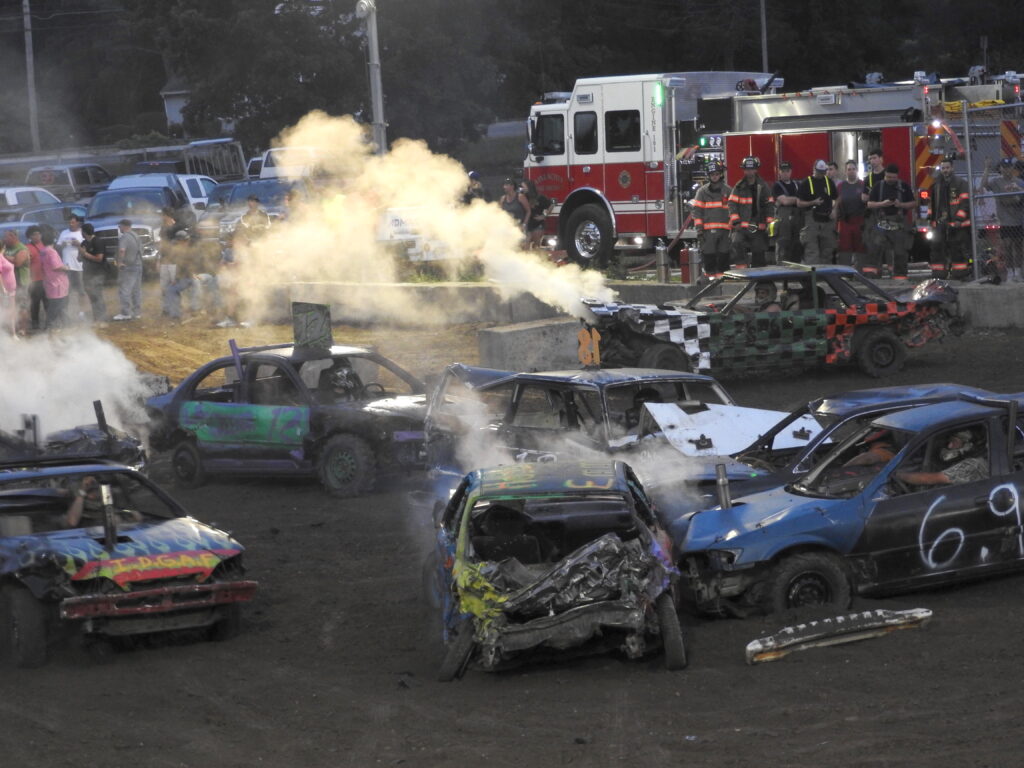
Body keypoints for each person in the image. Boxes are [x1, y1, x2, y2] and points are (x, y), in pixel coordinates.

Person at [865, 163, 916, 280]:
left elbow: (913, 203)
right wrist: (882, 204)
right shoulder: (878, 186)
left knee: (900, 251)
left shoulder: (904, 186)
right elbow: (869, 204)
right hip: (881, 223)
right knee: (875, 248)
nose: (891, 179)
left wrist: (900, 205)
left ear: (897, 176)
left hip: (899, 223)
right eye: (888, 177)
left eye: (893, 177)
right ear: (885, 175)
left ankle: (900, 277)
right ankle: (873, 276)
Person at [894, 429, 988, 487]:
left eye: (955, 442)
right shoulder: (960, 460)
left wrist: (897, 474)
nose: (950, 446)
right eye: (950, 441)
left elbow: (929, 479)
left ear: (968, 446)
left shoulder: (973, 466)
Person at [981, 157, 1024, 281]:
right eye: (1004, 168)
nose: (1006, 170)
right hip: (1005, 220)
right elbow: (984, 185)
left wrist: (1017, 189)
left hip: (1018, 219)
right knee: (1007, 245)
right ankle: (1010, 272)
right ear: (1000, 169)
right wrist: (986, 168)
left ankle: (1018, 272)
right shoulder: (996, 182)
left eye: (1009, 167)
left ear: (1012, 168)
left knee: (1018, 246)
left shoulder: (1018, 181)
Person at [928, 156, 972, 279]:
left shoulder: (961, 183)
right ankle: (938, 274)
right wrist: (931, 219)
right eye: (943, 168)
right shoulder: (936, 184)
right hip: (940, 223)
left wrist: (959, 219)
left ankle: (959, 273)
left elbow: (965, 203)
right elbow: (932, 204)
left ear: (952, 168)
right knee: (937, 248)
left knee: (957, 248)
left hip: (957, 224)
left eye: (947, 168)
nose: (945, 170)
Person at [728, 156, 775, 268]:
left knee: (759, 252)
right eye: (747, 169)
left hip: (759, 227)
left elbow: (769, 205)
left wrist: (768, 223)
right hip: (741, 226)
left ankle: (758, 274)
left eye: (751, 169)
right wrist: (736, 222)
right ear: (744, 170)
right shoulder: (739, 187)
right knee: (736, 242)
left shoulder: (763, 186)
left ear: (756, 169)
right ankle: (742, 270)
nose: (749, 172)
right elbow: (732, 204)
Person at [692, 161, 732, 276]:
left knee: (724, 256)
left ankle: (723, 280)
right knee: (709, 257)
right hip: (707, 232)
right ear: (708, 176)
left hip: (725, 231)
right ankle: (710, 281)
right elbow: (697, 212)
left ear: (720, 174)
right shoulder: (702, 192)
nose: (715, 176)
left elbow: (734, 210)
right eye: (712, 174)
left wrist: (733, 227)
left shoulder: (728, 190)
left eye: (717, 174)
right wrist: (699, 230)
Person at [797, 159, 837, 265]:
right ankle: (812, 274)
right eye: (819, 172)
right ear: (814, 170)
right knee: (812, 252)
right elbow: (799, 203)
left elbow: (837, 198)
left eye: (823, 172)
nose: (822, 174)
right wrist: (813, 202)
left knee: (827, 251)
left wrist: (834, 210)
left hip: (827, 221)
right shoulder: (806, 183)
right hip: (811, 222)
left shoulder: (829, 182)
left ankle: (825, 273)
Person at [834, 160, 867, 269]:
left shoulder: (863, 185)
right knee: (844, 248)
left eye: (853, 169)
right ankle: (844, 272)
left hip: (860, 221)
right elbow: (836, 204)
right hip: (844, 222)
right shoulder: (840, 186)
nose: (851, 171)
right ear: (845, 171)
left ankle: (860, 272)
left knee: (860, 248)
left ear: (857, 170)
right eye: (849, 169)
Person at [34, 225, 69, 329]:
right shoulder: (51, 252)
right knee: (56, 306)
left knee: (56, 305)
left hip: (49, 281)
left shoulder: (43, 251)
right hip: (57, 283)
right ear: (53, 240)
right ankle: (50, 327)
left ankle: (64, 325)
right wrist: (66, 267)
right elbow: (56, 266)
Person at [112, 218, 143, 321]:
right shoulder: (136, 235)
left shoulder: (124, 237)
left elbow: (122, 250)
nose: (119, 228)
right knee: (136, 290)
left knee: (124, 290)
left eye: (120, 226)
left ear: (124, 226)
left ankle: (125, 313)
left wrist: (120, 262)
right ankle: (137, 313)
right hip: (138, 265)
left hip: (128, 266)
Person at [771, 161, 801, 264]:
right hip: (783, 219)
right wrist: (798, 199)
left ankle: (796, 268)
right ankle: (781, 268)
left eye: (787, 171)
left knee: (797, 244)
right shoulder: (777, 186)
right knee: (783, 243)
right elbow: (785, 201)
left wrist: (793, 199)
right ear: (779, 172)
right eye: (783, 171)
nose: (785, 173)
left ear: (791, 172)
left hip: (797, 218)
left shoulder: (797, 184)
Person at [158, 207, 186, 316]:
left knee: (174, 286)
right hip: (165, 260)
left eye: (163, 215)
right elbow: (162, 244)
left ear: (167, 216)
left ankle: (176, 308)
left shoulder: (178, 228)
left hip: (174, 261)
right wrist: (160, 259)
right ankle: (166, 308)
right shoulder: (163, 228)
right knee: (164, 286)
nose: (162, 217)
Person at [56, 214, 85, 320]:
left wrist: (78, 245)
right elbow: (57, 247)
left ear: (77, 222)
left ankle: (82, 312)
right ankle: (66, 312)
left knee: (81, 291)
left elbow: (85, 249)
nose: (71, 224)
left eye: (73, 222)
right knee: (66, 291)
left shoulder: (81, 233)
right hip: (66, 266)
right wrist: (62, 245)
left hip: (78, 266)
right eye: (69, 222)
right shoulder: (64, 232)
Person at [77, 222, 107, 324]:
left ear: (85, 232)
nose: (81, 233)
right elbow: (79, 259)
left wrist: (85, 254)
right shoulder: (83, 243)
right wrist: (81, 253)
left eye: (82, 231)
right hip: (87, 273)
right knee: (91, 295)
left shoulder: (98, 241)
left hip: (97, 273)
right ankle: (97, 317)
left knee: (97, 294)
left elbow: (99, 258)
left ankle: (101, 317)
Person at [2, 230, 29, 334]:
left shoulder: (22, 248)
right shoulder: (6, 248)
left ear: (13, 237)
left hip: (21, 281)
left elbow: (18, 262)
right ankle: (13, 327)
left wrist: (3, 256)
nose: (4, 239)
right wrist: (10, 258)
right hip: (9, 283)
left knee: (22, 305)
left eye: (6, 237)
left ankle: (23, 328)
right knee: (10, 305)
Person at [24, 225, 48, 330]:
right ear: (29, 236)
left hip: (46, 279)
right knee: (35, 303)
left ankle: (49, 323)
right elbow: (26, 264)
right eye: (34, 234)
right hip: (34, 280)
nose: (37, 236)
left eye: (38, 234)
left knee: (47, 302)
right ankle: (35, 323)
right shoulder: (27, 247)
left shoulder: (45, 245)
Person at [521, 179, 552, 249]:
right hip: (527, 225)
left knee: (536, 246)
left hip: (537, 224)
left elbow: (551, 205)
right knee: (526, 244)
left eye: (523, 187)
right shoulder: (523, 197)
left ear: (529, 187)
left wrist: (544, 216)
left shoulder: (540, 197)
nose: (522, 189)